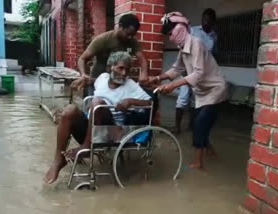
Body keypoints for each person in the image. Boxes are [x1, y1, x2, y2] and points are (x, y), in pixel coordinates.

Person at [44, 51, 151, 184]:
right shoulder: (103, 78)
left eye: (127, 70)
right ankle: (58, 159)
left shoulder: (130, 85)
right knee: (69, 110)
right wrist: (84, 80)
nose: (124, 73)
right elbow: (94, 82)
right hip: (91, 125)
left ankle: (87, 147)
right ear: (110, 67)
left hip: (111, 131)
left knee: (97, 103)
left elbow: (150, 102)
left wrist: (130, 101)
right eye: (120, 68)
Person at [149, 12, 227, 170]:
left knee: (199, 124)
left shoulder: (196, 43)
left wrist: (172, 85)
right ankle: (210, 151)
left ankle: (198, 163)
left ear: (180, 28)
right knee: (200, 124)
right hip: (202, 92)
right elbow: (176, 69)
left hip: (215, 90)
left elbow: (198, 73)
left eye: (170, 33)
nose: (170, 38)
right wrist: (157, 78)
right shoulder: (183, 48)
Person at [71, 14, 149, 92]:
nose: (130, 37)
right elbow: (82, 59)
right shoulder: (103, 39)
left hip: (118, 82)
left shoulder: (132, 41)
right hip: (97, 81)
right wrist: (83, 74)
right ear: (120, 26)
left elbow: (142, 60)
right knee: (96, 102)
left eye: (133, 35)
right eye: (128, 34)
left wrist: (144, 73)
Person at [174, 8, 218, 134]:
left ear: (213, 22)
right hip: (188, 70)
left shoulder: (214, 36)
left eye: (208, 21)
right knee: (183, 97)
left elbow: (213, 55)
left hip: (202, 73)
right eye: (204, 20)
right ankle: (177, 126)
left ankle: (192, 126)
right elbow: (182, 49)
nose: (205, 23)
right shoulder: (192, 31)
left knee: (197, 100)